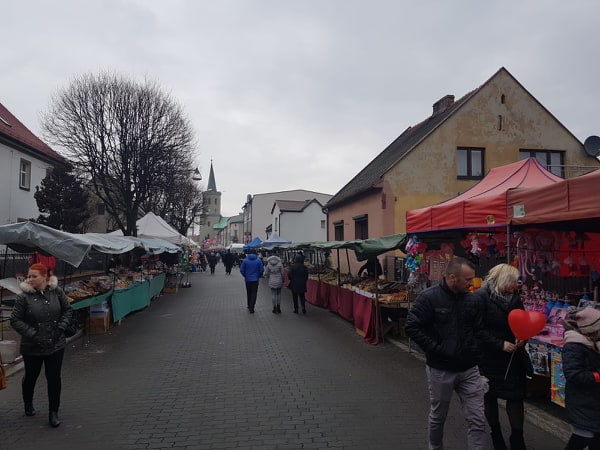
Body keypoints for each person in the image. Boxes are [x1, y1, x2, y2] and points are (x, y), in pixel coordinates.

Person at [404, 257, 488, 450]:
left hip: (469, 369)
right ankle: (435, 447)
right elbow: (412, 326)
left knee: (477, 419)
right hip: (441, 370)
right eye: (468, 279)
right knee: (438, 415)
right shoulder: (428, 298)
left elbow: (478, 330)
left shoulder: (472, 300)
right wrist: (436, 350)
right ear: (452, 278)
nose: (472, 283)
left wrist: (478, 357)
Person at [472, 263, 531, 450]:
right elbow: (476, 328)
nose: (516, 286)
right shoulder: (481, 297)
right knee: (490, 396)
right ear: (503, 280)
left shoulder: (514, 297)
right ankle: (496, 434)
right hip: (488, 356)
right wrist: (499, 344)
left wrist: (522, 338)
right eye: (513, 282)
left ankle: (517, 436)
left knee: (515, 396)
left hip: (513, 357)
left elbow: (522, 320)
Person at [10, 262, 73, 428]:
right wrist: (34, 334)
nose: (30, 279)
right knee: (31, 377)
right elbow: (15, 320)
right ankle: (28, 403)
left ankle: (53, 412)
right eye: (28, 276)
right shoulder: (23, 297)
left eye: (34, 276)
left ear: (45, 277)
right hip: (32, 346)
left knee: (53, 378)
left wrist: (61, 327)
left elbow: (67, 310)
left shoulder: (57, 292)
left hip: (55, 344)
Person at [561, 307, 600, 450]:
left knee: (595, 438)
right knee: (582, 438)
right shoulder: (574, 346)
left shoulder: (595, 343)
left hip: (593, 402)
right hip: (583, 402)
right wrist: (597, 376)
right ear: (592, 330)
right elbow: (573, 374)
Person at [239, 249, 264, 313]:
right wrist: (258, 276)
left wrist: (245, 276)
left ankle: (248, 304)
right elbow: (261, 270)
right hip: (255, 280)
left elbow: (241, 270)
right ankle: (252, 306)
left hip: (248, 280)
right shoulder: (258, 261)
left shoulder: (245, 261)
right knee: (254, 293)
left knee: (249, 292)